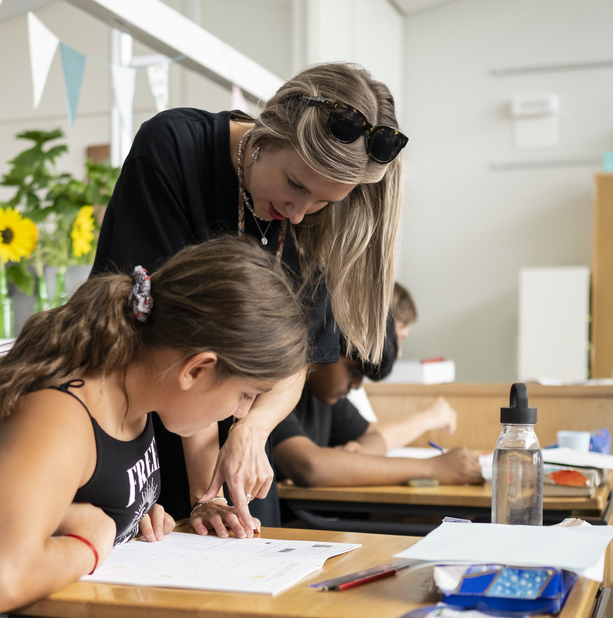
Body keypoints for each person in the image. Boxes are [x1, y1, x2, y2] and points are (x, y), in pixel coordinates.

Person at [94, 62, 406, 538]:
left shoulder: (322, 220)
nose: (299, 214)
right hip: (143, 429)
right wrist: (208, 495)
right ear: (266, 134)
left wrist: (252, 429)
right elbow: (171, 344)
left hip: (236, 454)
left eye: (324, 201)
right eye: (296, 185)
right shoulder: (175, 149)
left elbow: (296, 361)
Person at [0, 236, 309, 616]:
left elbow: (82, 495)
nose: (240, 412)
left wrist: (130, 518)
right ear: (197, 369)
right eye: (246, 395)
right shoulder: (60, 415)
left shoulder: (134, 400)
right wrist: (94, 538)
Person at [271, 284, 482, 488]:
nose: (357, 385)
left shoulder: (325, 397)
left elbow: (374, 437)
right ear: (326, 346)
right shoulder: (275, 392)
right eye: (353, 371)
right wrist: (431, 468)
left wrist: (360, 453)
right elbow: (310, 467)